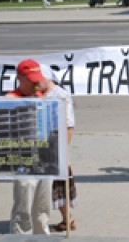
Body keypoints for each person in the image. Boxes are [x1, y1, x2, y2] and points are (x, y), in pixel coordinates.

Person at [8, 59, 75, 234]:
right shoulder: (11, 98)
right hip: (25, 163)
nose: (36, 84)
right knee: (24, 206)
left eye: (37, 79)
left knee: (43, 207)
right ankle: (21, 236)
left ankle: (42, 235)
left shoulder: (40, 95)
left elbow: (64, 123)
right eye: (31, 80)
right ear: (20, 78)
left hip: (45, 160)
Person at [40, 66, 78, 233]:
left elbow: (69, 125)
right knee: (50, 187)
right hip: (40, 146)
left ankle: (67, 219)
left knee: (60, 187)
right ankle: (67, 219)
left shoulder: (60, 95)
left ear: (48, 78)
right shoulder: (38, 94)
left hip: (55, 147)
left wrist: (62, 151)